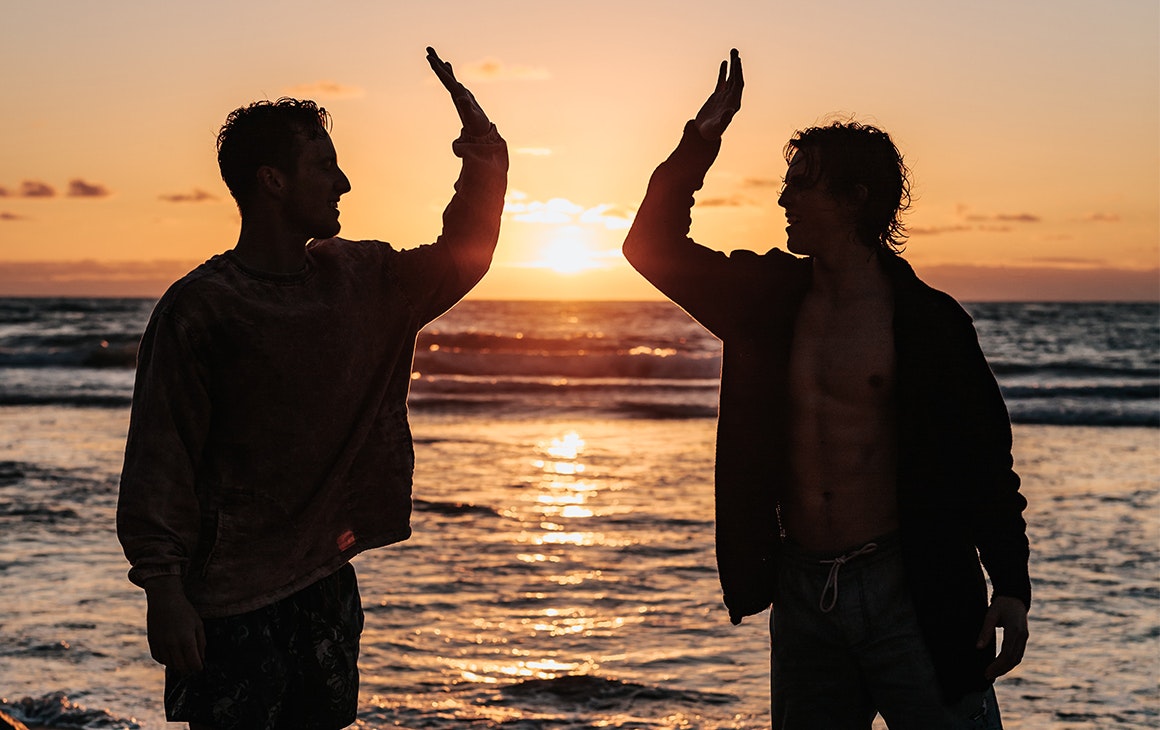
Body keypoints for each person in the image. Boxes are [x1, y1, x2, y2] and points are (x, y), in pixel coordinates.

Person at [622, 49, 1030, 729]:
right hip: (806, 595)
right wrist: (703, 138)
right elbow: (648, 245)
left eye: (802, 185)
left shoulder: (931, 323)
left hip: (912, 589)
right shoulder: (765, 300)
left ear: (854, 198)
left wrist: (1011, 587)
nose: (783, 199)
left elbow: (985, 467)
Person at [116, 47, 507, 730]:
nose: (345, 182)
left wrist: (484, 150)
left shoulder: (361, 281)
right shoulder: (202, 309)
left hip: (324, 589)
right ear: (272, 181)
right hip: (230, 604)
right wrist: (163, 590)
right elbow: (161, 459)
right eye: (324, 165)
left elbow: (464, 250)